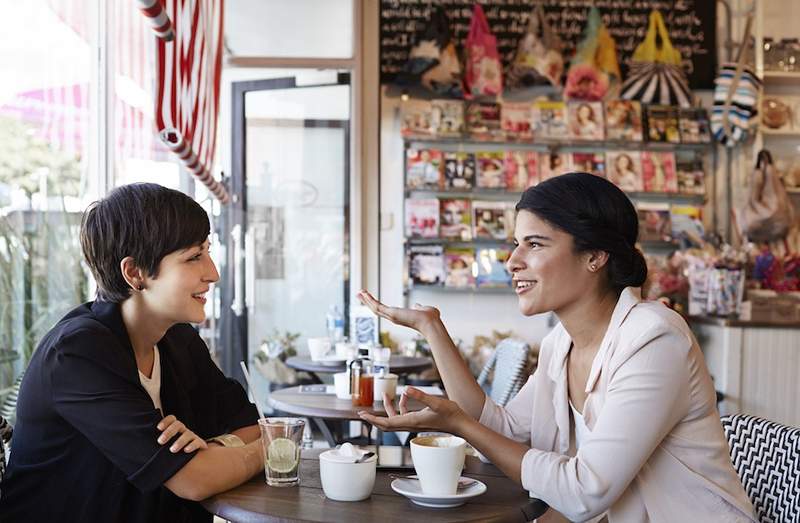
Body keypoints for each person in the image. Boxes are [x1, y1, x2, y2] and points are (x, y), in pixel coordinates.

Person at [358, 173, 756, 522]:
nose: (512, 260)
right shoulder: (560, 343)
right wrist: (432, 329)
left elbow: (585, 492)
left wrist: (458, 424)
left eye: (534, 244)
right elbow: (501, 428)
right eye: (515, 244)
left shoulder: (654, 340)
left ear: (596, 256)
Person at [0, 184, 264, 523]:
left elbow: (251, 424)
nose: (212, 273)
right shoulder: (77, 353)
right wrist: (269, 451)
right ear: (135, 273)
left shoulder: (177, 337)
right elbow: (195, 480)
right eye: (194, 257)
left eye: (207, 251)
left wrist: (215, 448)